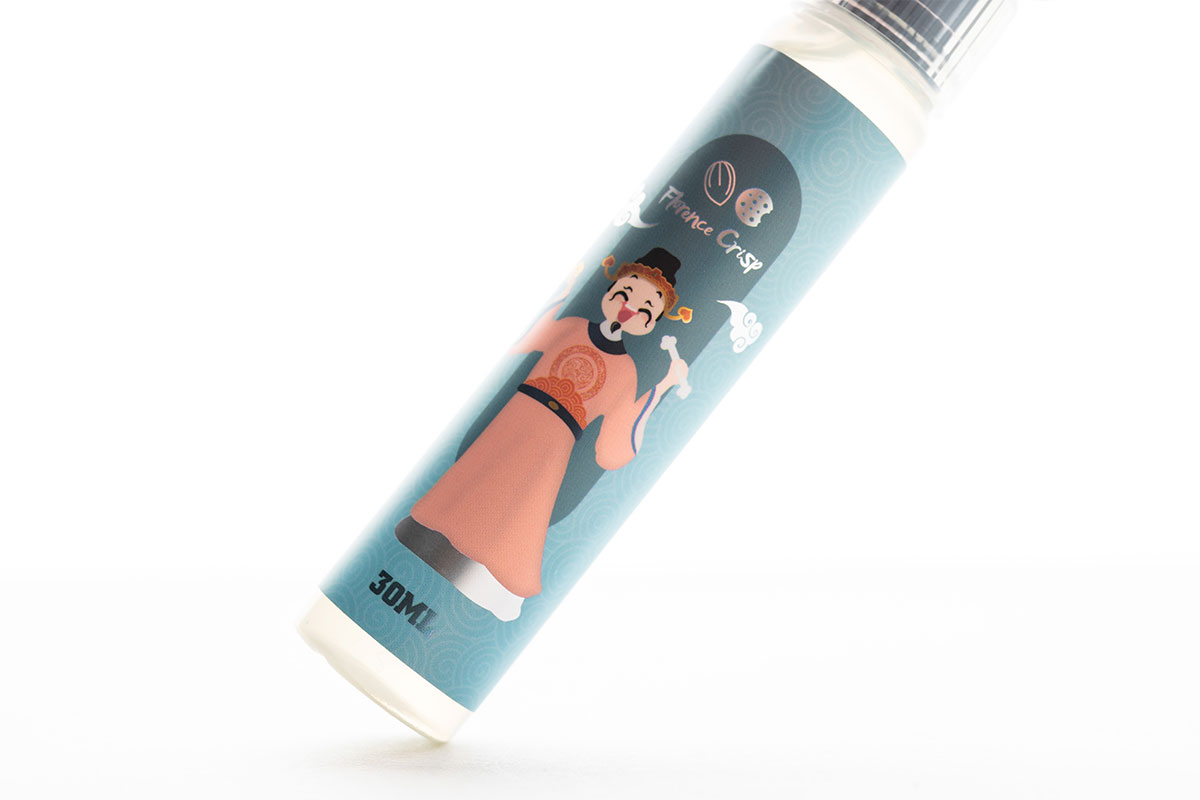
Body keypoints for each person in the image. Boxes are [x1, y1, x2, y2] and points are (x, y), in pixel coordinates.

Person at [395, 249, 691, 620]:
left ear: (653, 322)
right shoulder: (572, 326)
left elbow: (612, 446)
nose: (630, 308)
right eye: (626, 293)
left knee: (524, 502)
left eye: (647, 308)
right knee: (480, 475)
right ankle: (430, 533)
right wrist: (565, 288)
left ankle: (497, 579)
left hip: (556, 441)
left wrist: (663, 386)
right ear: (611, 289)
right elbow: (527, 338)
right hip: (519, 415)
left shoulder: (626, 371)